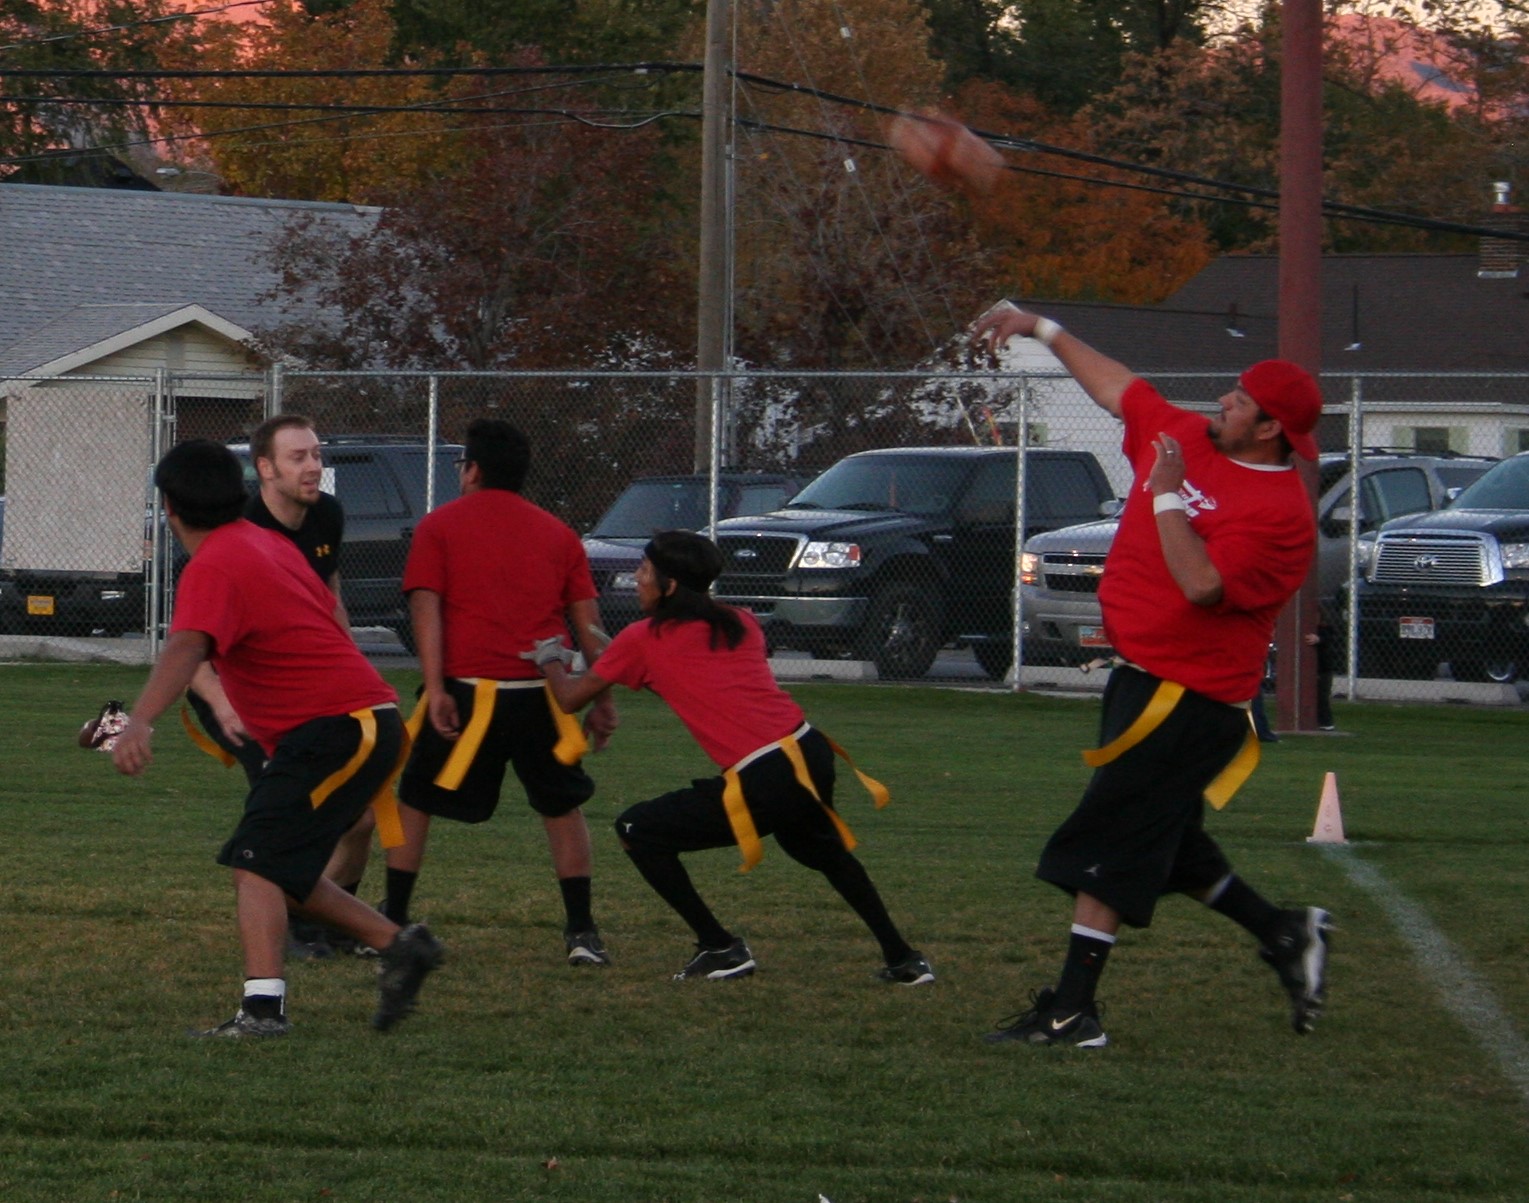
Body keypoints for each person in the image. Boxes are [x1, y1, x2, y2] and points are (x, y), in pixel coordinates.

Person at [972, 301, 1331, 1048]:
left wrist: (1166, 491)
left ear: (1269, 429)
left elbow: (1201, 583)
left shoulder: (1281, 513)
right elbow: (1118, 389)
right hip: (1141, 680)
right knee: (1167, 846)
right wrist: (1037, 327)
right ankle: (1283, 930)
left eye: (1241, 401)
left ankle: (1073, 1011)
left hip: (1190, 697)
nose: (1223, 401)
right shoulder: (1190, 439)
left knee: (1106, 844)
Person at [112, 440, 444, 1038]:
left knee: (257, 859)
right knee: (271, 864)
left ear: (169, 507)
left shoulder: (215, 561)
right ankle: (400, 946)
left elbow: (188, 645)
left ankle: (263, 1011)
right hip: (350, 725)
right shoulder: (264, 543)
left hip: (341, 728)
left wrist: (139, 720)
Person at [532, 529, 933, 986]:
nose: (637, 578)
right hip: (807, 748)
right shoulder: (740, 619)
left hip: (764, 770)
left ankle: (719, 946)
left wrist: (548, 658)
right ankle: (904, 959)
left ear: (671, 585)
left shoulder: (644, 637)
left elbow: (569, 699)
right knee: (822, 851)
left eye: (644, 570)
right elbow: (701, 673)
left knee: (636, 830)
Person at [383, 418, 618, 967]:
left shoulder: (440, 526)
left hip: (468, 690)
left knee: (416, 799)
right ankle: (582, 931)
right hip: (544, 691)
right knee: (561, 807)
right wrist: (601, 696)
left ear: (472, 470)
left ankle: (392, 917)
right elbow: (590, 626)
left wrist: (435, 687)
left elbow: (426, 610)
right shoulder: (559, 533)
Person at [184, 414, 376, 959]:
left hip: (308, 695)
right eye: (299, 457)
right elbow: (190, 641)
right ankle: (292, 932)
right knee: (291, 827)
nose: (313, 465)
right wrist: (222, 703)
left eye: (317, 453)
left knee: (358, 819)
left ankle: (326, 926)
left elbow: (329, 597)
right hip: (242, 700)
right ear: (264, 469)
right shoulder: (234, 528)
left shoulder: (327, 515)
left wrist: (353, 668)